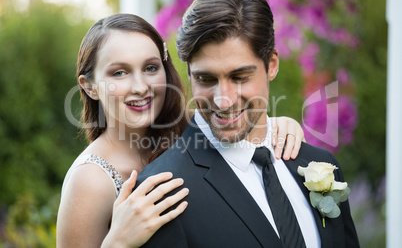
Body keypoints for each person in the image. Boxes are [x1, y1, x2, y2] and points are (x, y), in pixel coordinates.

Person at [136, 0, 360, 248]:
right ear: (189, 75)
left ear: (272, 64)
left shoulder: (321, 164)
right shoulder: (162, 193)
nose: (223, 99)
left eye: (240, 77)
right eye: (206, 79)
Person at [56, 13, 306, 247]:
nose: (141, 87)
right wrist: (118, 242)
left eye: (151, 68)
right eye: (119, 73)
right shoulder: (90, 181)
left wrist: (275, 127)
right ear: (89, 86)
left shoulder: (189, 133)